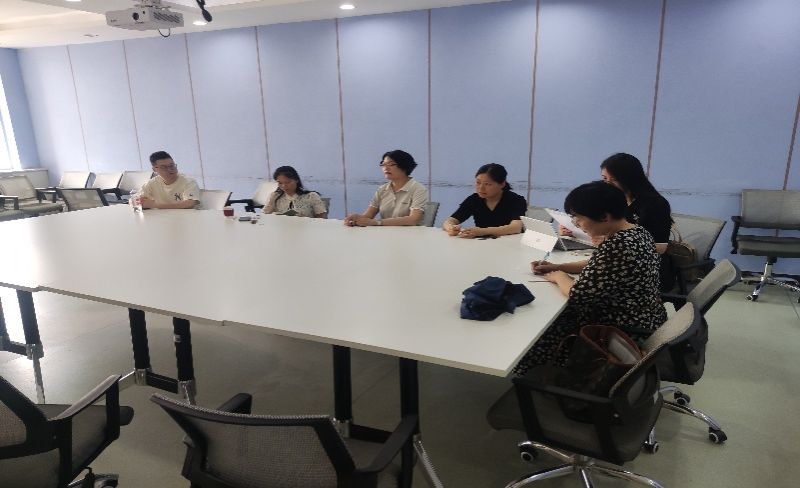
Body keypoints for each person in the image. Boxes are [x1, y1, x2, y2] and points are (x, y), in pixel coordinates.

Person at [514, 181, 667, 376]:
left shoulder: (618, 246)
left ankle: (532, 376)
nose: (575, 223)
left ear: (604, 216)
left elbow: (578, 294)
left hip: (621, 328)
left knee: (543, 328)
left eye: (578, 217)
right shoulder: (636, 232)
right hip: (645, 315)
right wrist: (558, 266)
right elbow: (597, 262)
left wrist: (559, 277)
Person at [561, 153, 674, 290]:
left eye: (613, 180)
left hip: (644, 271)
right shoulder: (611, 199)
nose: (607, 184)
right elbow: (599, 225)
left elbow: (661, 247)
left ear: (629, 179)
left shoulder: (655, 204)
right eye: (604, 178)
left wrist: (612, 243)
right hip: (615, 260)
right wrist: (573, 231)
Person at [344, 150, 428, 226]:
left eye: (391, 164)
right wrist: (356, 219)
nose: (386, 168)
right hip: (386, 233)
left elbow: (413, 220)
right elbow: (368, 216)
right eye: (383, 164)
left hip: (412, 234)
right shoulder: (382, 189)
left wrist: (378, 222)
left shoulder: (418, 189)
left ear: (405, 166)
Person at [442, 163, 526, 238]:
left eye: (487, 184)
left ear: (502, 184)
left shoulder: (516, 200)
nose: (481, 188)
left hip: (511, 244)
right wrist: (451, 228)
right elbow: (451, 220)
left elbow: (516, 227)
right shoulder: (474, 199)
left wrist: (482, 231)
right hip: (483, 243)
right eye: (478, 183)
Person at [261, 166, 327, 218]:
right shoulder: (275, 196)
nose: (284, 186)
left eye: (287, 182)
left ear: (296, 180)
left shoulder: (311, 196)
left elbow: (321, 218)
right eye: (280, 183)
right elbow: (264, 215)